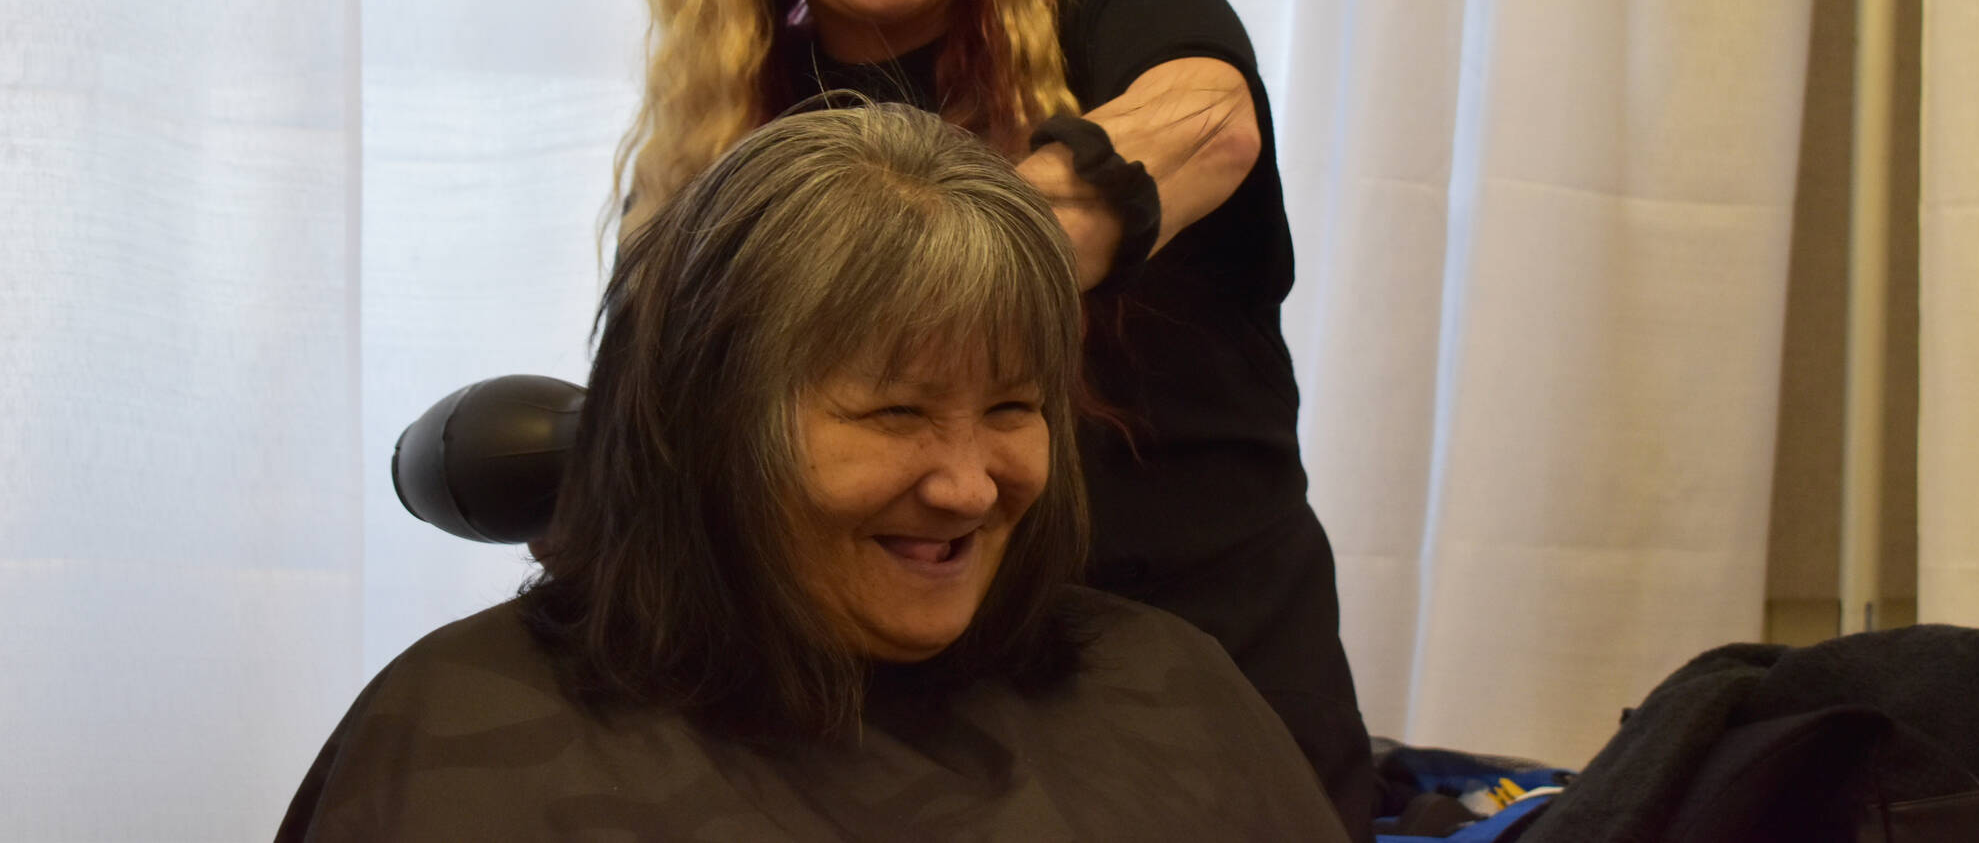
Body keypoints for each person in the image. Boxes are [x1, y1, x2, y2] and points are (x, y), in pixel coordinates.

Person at [607, 0, 1381, 833]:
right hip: (883, 756)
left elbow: (1209, 125)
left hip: (1207, 731)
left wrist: (907, 283)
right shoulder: (730, 133)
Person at [281, 105, 1347, 841]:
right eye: (895, 414)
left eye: (1012, 409)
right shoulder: (464, 740)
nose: (971, 486)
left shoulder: (1164, 695)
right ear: (709, 424)